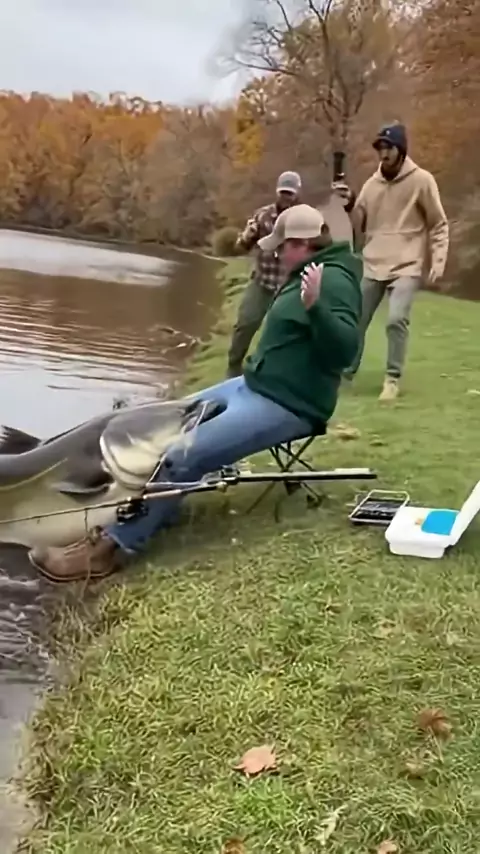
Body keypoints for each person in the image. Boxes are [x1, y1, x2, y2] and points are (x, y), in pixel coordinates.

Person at [29, 204, 362, 582]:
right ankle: (148, 508)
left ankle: (111, 549)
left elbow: (346, 354)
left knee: (183, 454)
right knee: (164, 423)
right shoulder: (305, 271)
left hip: (290, 404)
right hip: (256, 385)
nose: (276, 255)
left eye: (282, 247)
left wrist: (316, 308)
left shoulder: (332, 281)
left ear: (301, 244)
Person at [333, 122, 449, 401]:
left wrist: (438, 259)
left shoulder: (421, 181)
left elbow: (438, 224)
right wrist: (348, 203)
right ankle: (345, 373)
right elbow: (357, 223)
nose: (383, 154)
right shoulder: (371, 185)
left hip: (407, 262)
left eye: (389, 148)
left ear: (401, 150)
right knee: (356, 319)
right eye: (380, 148)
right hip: (374, 261)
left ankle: (392, 379)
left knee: (396, 319)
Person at [226, 170, 302, 378]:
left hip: (289, 285)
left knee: (285, 332)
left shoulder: (304, 219)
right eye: (283, 193)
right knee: (245, 323)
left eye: (290, 193)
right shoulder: (262, 215)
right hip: (263, 281)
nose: (286, 197)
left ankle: (277, 373)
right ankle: (233, 368)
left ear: (297, 193)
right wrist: (247, 236)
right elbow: (241, 247)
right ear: (277, 192)